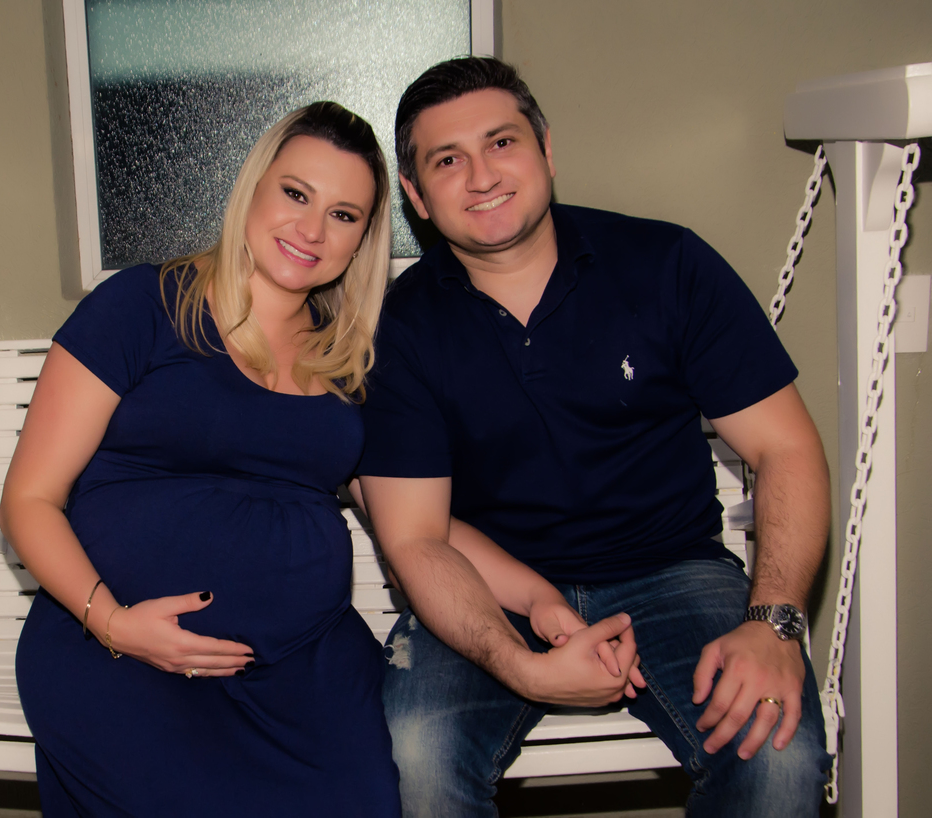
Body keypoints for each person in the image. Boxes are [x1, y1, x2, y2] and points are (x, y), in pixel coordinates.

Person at [357, 57, 833, 817]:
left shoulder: (667, 264)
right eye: (447, 160)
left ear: (546, 149)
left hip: (674, 573)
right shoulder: (401, 326)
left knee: (778, 754)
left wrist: (774, 623)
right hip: (490, 589)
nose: (482, 175)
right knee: (413, 757)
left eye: (502, 142)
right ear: (417, 196)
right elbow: (417, 540)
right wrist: (523, 663)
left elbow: (787, 448)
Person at [1, 101, 401, 817]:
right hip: (117, 649)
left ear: (363, 239)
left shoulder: (352, 362)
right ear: (254, 187)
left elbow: (413, 524)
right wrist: (114, 624)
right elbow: (29, 499)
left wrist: (535, 597)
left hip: (304, 667)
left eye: (343, 215)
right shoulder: (142, 305)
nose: (312, 230)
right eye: (296, 194)